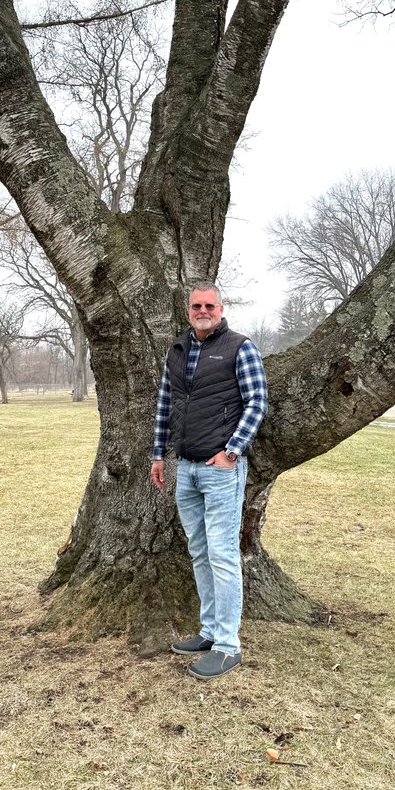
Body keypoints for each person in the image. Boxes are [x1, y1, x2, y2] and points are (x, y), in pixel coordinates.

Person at [150, 281, 268, 680]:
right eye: (196, 306)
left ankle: (227, 645)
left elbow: (257, 402)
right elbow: (166, 403)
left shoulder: (240, 347)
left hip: (221, 470)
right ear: (188, 311)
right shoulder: (178, 351)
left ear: (220, 308)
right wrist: (158, 454)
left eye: (209, 305)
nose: (203, 311)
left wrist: (232, 450)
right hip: (185, 467)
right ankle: (209, 631)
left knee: (222, 554)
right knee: (199, 553)